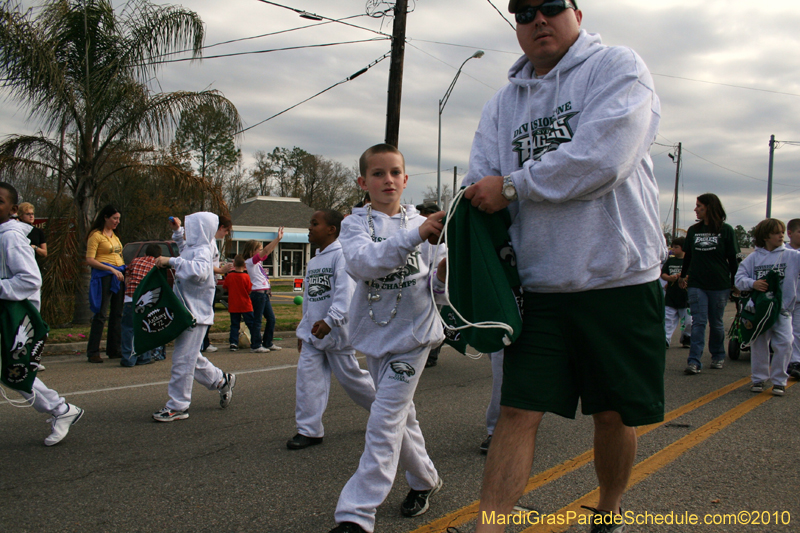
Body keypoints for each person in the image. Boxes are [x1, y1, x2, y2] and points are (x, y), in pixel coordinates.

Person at [460, 1, 665, 530]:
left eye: (551, 5)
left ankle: (610, 508)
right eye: (524, 11)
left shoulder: (618, 67)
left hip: (617, 278)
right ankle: (492, 525)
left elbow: (604, 159)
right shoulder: (502, 105)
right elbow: (480, 182)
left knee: (612, 413)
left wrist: (512, 185)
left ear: (576, 11)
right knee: (515, 410)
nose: (538, 19)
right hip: (540, 286)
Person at [328, 144, 447, 533]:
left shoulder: (426, 224)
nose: (388, 180)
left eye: (395, 172)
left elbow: (438, 287)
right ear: (363, 182)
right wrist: (416, 236)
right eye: (378, 174)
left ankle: (356, 514)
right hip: (375, 336)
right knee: (401, 416)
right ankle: (426, 480)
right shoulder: (354, 225)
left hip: (414, 336)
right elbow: (363, 263)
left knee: (384, 418)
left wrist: (446, 269)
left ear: (406, 179)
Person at [0, 182, 84, 445]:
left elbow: (29, 280)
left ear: (13, 208)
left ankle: (60, 409)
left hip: (13, 315)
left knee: (16, 370)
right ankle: (61, 409)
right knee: (15, 370)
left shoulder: (11, 236)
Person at [288, 209, 375, 451]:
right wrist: (303, 329)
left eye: (314, 223)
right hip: (313, 336)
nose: (309, 227)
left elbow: (345, 295)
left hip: (336, 334)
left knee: (353, 381)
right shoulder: (314, 260)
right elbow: (309, 298)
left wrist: (330, 321)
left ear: (331, 229)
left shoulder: (342, 256)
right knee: (308, 381)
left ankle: (386, 412)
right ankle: (309, 430)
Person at [150, 213, 237, 422]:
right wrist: (177, 231)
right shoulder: (194, 247)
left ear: (200, 229)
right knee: (190, 357)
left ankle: (178, 405)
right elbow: (185, 249)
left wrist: (170, 261)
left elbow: (199, 271)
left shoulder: (205, 249)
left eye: (191, 227)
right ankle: (220, 380)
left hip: (196, 315)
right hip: (186, 312)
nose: (188, 231)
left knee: (182, 360)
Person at [734, 219, 800, 396]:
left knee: (785, 343)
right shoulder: (754, 258)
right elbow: (739, 279)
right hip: (759, 311)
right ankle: (759, 379)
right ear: (765, 236)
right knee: (759, 345)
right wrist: (753, 283)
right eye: (777, 232)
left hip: (783, 310)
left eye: (782, 232)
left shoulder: (792, 255)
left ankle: (779, 380)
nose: (781, 235)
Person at [678, 193, 740, 374]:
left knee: (717, 322)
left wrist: (735, 282)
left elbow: (732, 259)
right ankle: (694, 360)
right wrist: (683, 276)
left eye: (699, 206)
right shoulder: (693, 231)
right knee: (699, 322)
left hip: (720, 283)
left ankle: (718, 355)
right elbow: (688, 256)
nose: (696, 209)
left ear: (709, 208)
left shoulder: (726, 230)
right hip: (697, 283)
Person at [85, 205, 125, 364]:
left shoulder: (114, 236)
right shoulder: (96, 236)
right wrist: (110, 269)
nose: (117, 222)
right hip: (104, 275)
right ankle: (93, 351)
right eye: (114, 218)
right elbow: (90, 259)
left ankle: (114, 349)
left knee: (117, 313)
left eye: (118, 219)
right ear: (105, 217)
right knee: (101, 314)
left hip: (118, 275)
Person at [120, 244, 164, 367]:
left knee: (129, 328)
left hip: (130, 297)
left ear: (145, 254)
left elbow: (127, 276)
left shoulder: (135, 261)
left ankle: (128, 358)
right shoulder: (157, 265)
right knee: (144, 328)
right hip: (145, 300)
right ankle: (144, 356)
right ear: (159, 256)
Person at [242, 230, 284, 353]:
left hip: (264, 293)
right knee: (258, 320)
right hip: (258, 294)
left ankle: (267, 342)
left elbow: (268, 251)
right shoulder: (250, 261)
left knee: (271, 319)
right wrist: (277, 239)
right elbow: (266, 250)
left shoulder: (258, 262)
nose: (261, 251)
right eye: (258, 249)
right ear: (252, 251)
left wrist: (276, 242)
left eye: (260, 249)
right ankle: (255, 345)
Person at [222, 254, 259, 351]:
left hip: (234, 304)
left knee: (234, 324)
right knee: (251, 323)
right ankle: (255, 341)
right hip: (245, 304)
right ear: (245, 265)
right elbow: (249, 290)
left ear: (234, 263)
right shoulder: (246, 277)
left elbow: (225, 288)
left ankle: (233, 342)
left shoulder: (230, 276)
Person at [662, 237, 692, 348]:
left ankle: (686, 337)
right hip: (671, 295)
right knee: (668, 318)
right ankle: (666, 339)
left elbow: (693, 274)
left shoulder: (689, 261)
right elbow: (663, 274)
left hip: (685, 296)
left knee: (687, 321)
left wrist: (683, 277)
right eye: (672, 247)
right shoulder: (670, 260)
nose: (673, 249)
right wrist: (670, 278)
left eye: (676, 247)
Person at [786, 218, 800, 380]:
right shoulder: (784, 252)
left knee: (797, 331)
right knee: (784, 334)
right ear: (789, 233)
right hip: (785, 301)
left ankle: (795, 362)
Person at [17, 202, 47, 266]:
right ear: (21, 216)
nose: (31, 216)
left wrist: (35, 247)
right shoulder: (16, 230)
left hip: (34, 264)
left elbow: (45, 253)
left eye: (32, 214)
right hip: (19, 264)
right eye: (28, 214)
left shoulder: (38, 231)